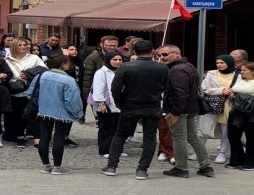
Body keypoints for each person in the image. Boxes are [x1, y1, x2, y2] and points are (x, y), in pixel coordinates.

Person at [101, 40, 168, 180]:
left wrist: (119, 103)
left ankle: (112, 166)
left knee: (120, 135)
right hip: (152, 105)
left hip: (130, 105)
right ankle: (142, 170)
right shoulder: (162, 68)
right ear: (153, 51)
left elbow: (115, 88)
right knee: (149, 138)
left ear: (135, 52)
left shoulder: (126, 67)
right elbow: (167, 88)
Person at [159, 44, 214, 178]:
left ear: (177, 54)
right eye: (159, 55)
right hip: (190, 108)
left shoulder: (177, 70)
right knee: (192, 137)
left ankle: (181, 168)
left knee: (179, 138)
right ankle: (206, 166)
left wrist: (175, 112)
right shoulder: (188, 66)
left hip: (180, 109)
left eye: (165, 55)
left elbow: (181, 93)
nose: (161, 58)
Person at [30, 53, 83, 175]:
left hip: (43, 111)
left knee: (44, 136)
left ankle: (46, 165)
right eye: (67, 63)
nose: (69, 65)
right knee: (59, 137)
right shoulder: (69, 80)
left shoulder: (40, 76)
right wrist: (78, 113)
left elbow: (31, 93)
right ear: (63, 64)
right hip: (62, 112)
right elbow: (72, 100)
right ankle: (57, 167)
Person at [4, 37, 46, 147]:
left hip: (31, 90)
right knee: (17, 115)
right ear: (14, 46)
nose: (23, 47)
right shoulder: (7, 60)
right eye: (20, 45)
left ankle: (37, 138)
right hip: (15, 90)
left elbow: (44, 69)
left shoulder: (34, 58)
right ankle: (20, 136)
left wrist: (28, 73)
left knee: (33, 114)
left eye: (24, 45)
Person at [198, 55, 237, 164]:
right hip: (213, 105)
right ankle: (199, 151)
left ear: (228, 63)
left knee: (226, 131)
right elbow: (205, 88)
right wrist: (221, 90)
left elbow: (241, 87)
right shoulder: (211, 74)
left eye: (222, 63)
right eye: (217, 63)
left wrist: (233, 93)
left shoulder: (237, 75)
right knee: (204, 129)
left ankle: (222, 153)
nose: (219, 65)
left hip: (229, 106)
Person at [92, 51, 124, 158]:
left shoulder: (122, 71)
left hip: (120, 105)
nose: (117, 62)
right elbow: (98, 89)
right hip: (106, 105)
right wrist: (101, 103)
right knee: (106, 128)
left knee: (119, 129)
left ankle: (117, 149)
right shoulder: (101, 72)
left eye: (119, 60)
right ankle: (105, 149)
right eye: (114, 60)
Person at [82, 35, 119, 123]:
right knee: (103, 121)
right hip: (99, 93)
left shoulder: (120, 57)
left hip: (116, 94)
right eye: (109, 45)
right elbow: (87, 77)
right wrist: (87, 95)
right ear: (101, 44)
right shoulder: (93, 58)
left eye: (114, 45)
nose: (112, 47)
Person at [226, 61, 254, 170]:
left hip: (251, 114)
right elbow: (235, 88)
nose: (241, 72)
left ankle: (250, 162)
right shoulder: (241, 80)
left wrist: (235, 91)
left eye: (244, 70)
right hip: (237, 112)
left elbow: (239, 89)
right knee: (233, 136)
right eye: (241, 70)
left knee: (251, 138)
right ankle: (236, 160)